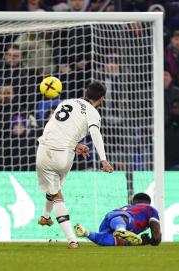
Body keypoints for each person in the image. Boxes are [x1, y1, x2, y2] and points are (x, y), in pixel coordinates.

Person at [36, 81, 114, 249]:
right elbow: (95, 133)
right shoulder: (93, 113)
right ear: (101, 98)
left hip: (44, 149)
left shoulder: (66, 102)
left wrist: (75, 145)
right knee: (55, 192)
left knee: (54, 189)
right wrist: (103, 159)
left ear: (86, 92)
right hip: (62, 155)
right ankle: (71, 239)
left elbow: (57, 127)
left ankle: (46, 217)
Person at [75, 193, 161, 246]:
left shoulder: (128, 206)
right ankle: (120, 230)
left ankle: (86, 232)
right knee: (123, 220)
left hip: (109, 218)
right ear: (149, 203)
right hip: (122, 219)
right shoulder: (150, 209)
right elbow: (156, 235)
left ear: (133, 202)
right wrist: (153, 240)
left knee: (115, 241)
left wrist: (141, 242)